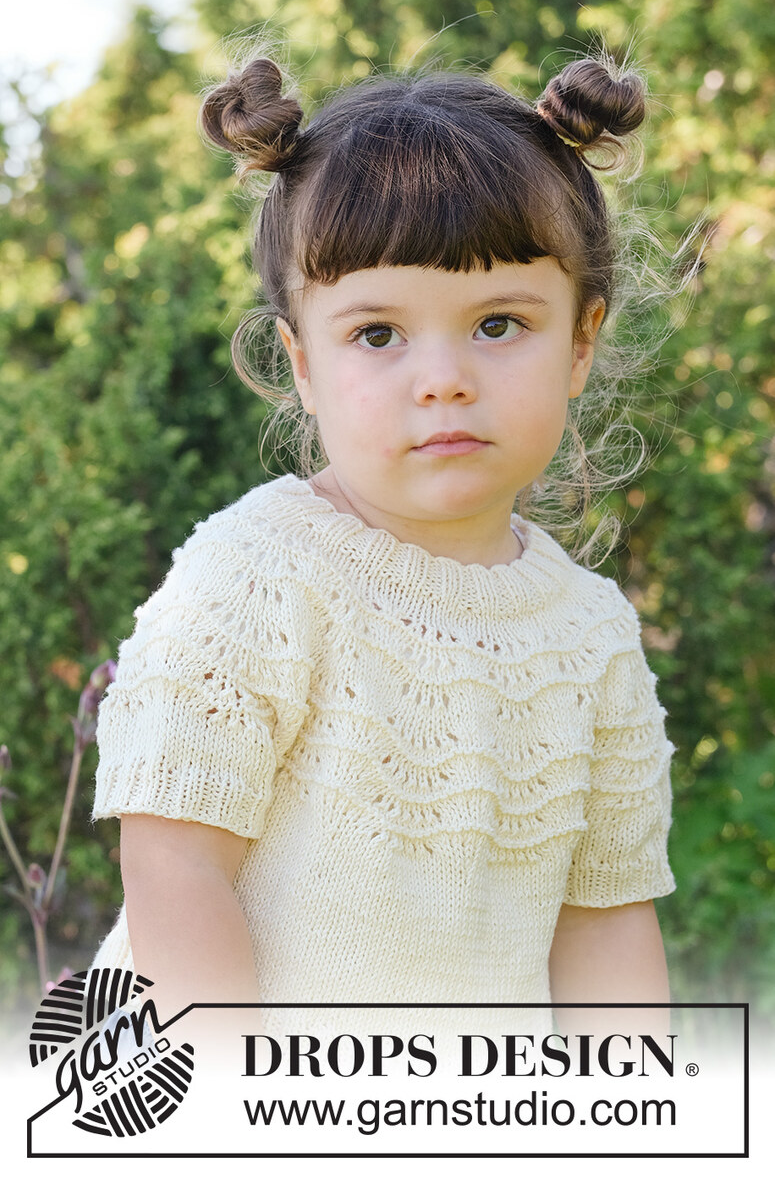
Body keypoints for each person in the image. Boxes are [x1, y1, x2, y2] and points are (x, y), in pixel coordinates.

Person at [90, 52, 676, 1038]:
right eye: (376, 335)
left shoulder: (593, 635)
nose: (442, 378)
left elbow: (605, 926)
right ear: (302, 363)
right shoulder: (260, 573)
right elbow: (173, 864)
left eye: (498, 323)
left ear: (580, 342)